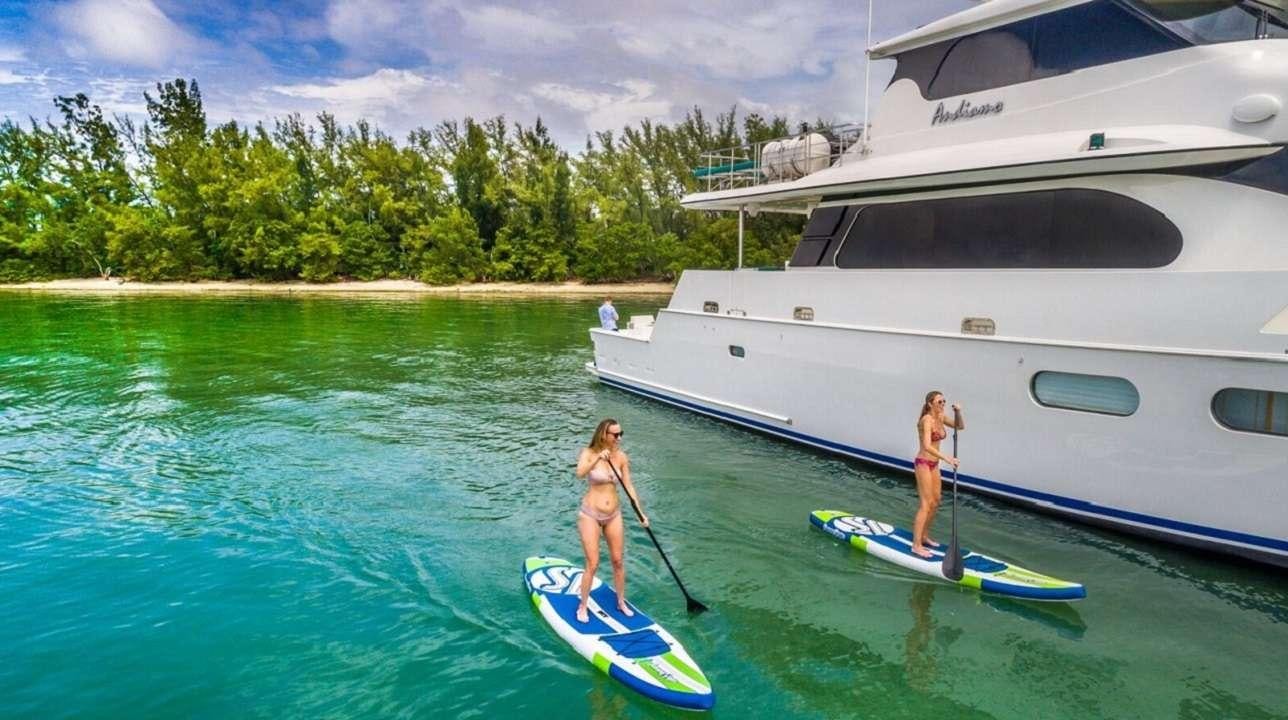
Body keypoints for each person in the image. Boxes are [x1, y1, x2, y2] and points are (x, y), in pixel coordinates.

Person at [574, 418, 649, 623]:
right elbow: (579, 473)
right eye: (615, 435)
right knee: (593, 563)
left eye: (620, 434)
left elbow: (629, 486)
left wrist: (640, 513)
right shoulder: (589, 453)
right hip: (590, 514)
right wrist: (598, 458)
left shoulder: (621, 457)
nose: (619, 438)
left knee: (617, 560)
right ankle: (582, 606)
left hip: (613, 515)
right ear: (604, 435)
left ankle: (621, 601)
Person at [911, 391, 964, 558]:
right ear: (930, 404)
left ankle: (925, 536)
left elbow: (959, 426)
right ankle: (916, 545)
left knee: (936, 502)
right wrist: (948, 459)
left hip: (934, 464)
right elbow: (927, 445)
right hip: (923, 464)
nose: (943, 404)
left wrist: (958, 412)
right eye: (939, 402)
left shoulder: (941, 417)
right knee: (926, 504)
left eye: (944, 401)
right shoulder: (927, 420)